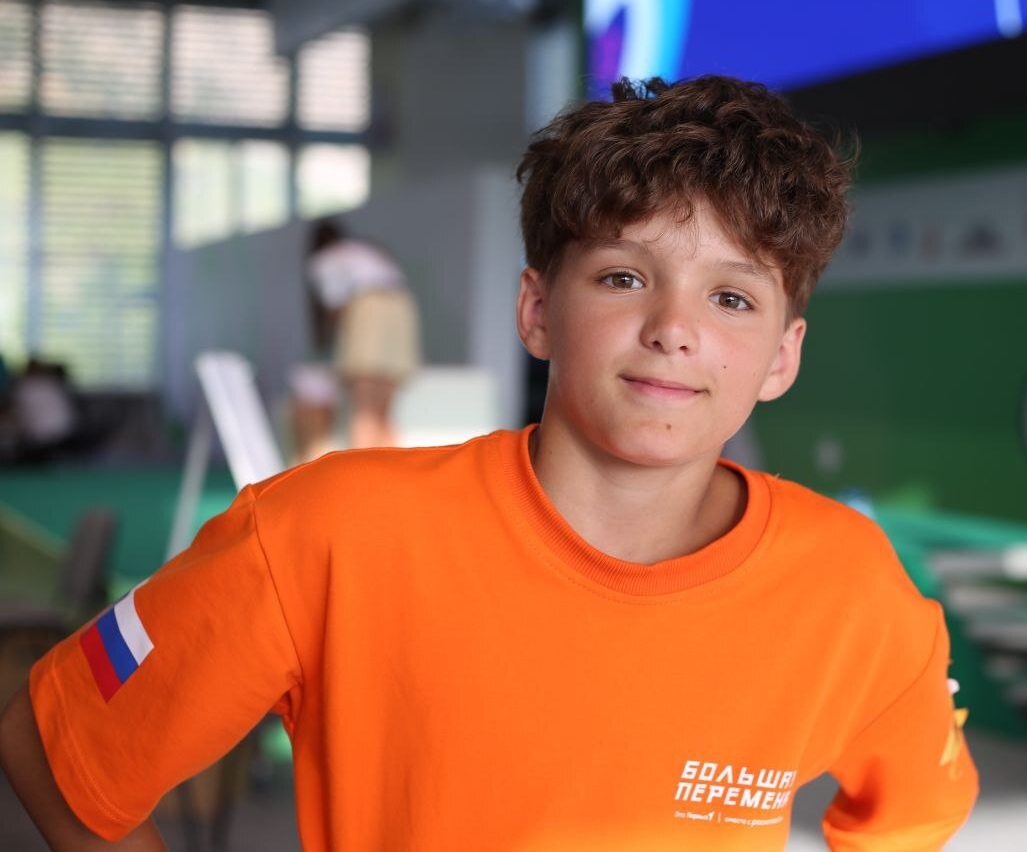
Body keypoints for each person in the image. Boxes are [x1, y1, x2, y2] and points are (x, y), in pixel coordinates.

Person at [0, 76, 977, 850]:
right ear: (537, 312)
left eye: (731, 298)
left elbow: (909, 818)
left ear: (781, 357)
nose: (674, 328)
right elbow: (55, 750)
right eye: (624, 276)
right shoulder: (323, 533)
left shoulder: (853, 588)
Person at [289, 219, 421, 462]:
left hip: (369, 307)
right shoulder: (364, 250)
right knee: (383, 414)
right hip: (403, 310)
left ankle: (361, 474)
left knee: (364, 409)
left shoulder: (323, 259)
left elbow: (335, 310)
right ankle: (393, 475)